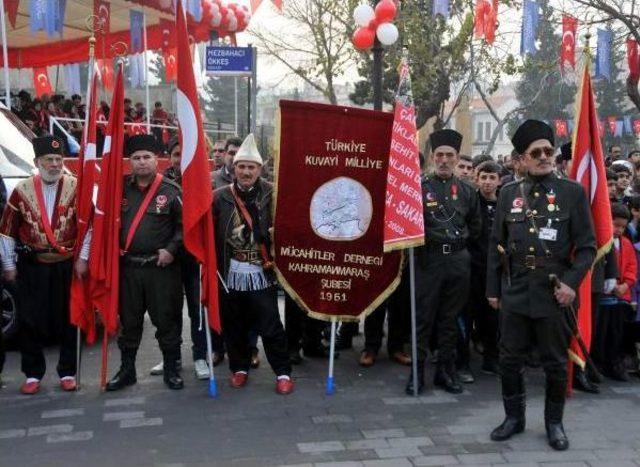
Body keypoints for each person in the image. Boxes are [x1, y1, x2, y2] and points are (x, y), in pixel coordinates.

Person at [487, 119, 596, 451]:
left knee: (553, 361)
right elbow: (496, 244)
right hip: (517, 289)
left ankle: (554, 423)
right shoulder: (508, 194)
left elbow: (588, 247)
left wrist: (572, 285)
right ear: (522, 159)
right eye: (537, 152)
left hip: (554, 291)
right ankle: (513, 418)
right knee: (509, 358)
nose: (545, 156)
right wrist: (493, 289)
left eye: (549, 151)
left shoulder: (572, 193)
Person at [91, 134, 185, 391]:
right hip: (128, 269)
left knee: (166, 321)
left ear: (157, 160)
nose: (142, 162)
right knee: (129, 323)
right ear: (129, 161)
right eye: (136, 158)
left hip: (161, 270)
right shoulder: (118, 188)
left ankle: (171, 368)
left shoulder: (171, 191)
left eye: (147, 157)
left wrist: (171, 249)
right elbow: (103, 221)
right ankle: (127, 370)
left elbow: (185, 227)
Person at [212, 134, 293, 395]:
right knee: (234, 324)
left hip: (262, 270)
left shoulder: (273, 192)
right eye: (241, 167)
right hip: (231, 271)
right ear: (233, 168)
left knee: (270, 324)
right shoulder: (219, 196)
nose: (246, 172)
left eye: (251, 167)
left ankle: (282, 372)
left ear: (260, 169)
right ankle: (239, 368)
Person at [0, 136, 80, 394]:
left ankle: (68, 372)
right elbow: (7, 232)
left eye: (59, 159)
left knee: (69, 318)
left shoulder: (76, 186)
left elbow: (88, 226)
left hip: (66, 264)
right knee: (29, 319)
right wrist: (8, 265)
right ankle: (33, 373)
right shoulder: (20, 190)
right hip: (32, 265)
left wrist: (84, 258)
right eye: (49, 160)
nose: (55, 164)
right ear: (37, 162)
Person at [406, 129, 482, 395]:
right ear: (432, 157)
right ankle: (417, 373)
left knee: (450, 319)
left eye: (450, 155)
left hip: (458, 261)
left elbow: (476, 225)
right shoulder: (418, 188)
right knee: (423, 319)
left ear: (457, 157)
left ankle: (445, 372)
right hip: (429, 260)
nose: (445, 160)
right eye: (439, 155)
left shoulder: (467, 191)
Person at [147, 137, 223, 380]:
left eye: (185, 152)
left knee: (197, 310)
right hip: (167, 259)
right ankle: (171, 357)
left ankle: (200, 356)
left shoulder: (204, 181)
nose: (181, 158)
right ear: (169, 157)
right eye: (176, 153)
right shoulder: (158, 184)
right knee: (167, 311)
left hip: (194, 257)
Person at [461, 161, 501, 378]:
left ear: (499, 180)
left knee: (492, 318)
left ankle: (491, 359)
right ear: (477, 179)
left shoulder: (504, 203)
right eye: (483, 177)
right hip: (470, 268)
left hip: (494, 270)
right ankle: (463, 362)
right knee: (466, 316)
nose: (487, 182)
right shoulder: (470, 201)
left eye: (491, 178)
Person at [592, 203, 637, 382]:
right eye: (615, 224)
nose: (619, 229)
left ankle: (614, 364)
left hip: (619, 298)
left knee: (616, 334)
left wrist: (626, 285)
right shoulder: (599, 243)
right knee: (600, 333)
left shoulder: (626, 243)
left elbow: (633, 267)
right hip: (603, 298)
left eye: (623, 226)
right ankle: (598, 364)